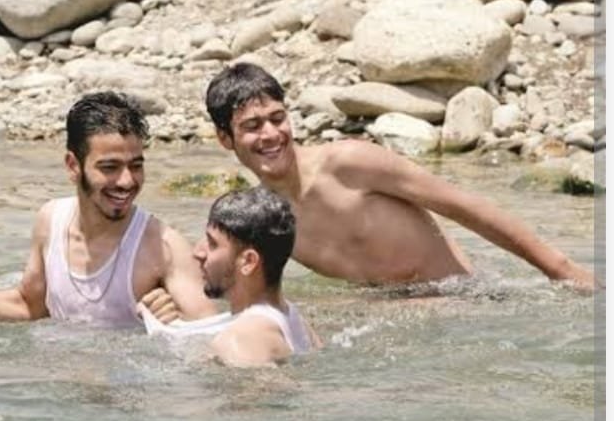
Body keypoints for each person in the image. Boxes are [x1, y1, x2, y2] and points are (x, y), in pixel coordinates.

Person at [201, 62, 596, 289]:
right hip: (397, 335)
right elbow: (227, 278)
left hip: (466, 302)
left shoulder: (349, 163)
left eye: (277, 118)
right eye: (252, 126)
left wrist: (561, 270)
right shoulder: (268, 220)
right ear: (224, 138)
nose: (271, 134)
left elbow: (467, 208)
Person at [0, 91, 220, 327]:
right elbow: (30, 305)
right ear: (73, 165)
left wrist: (174, 322)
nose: (127, 181)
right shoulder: (51, 220)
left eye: (136, 166)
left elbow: (210, 335)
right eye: (110, 167)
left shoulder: (163, 246)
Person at [193, 187, 318, 366]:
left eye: (212, 243)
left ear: (249, 261)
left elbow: (259, 383)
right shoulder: (297, 322)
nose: (198, 252)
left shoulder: (240, 339)